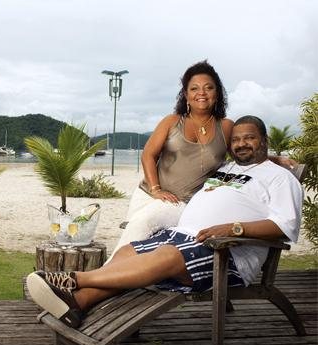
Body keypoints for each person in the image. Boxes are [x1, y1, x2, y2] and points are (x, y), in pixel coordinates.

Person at [27, 116, 302, 328]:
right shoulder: (227, 169)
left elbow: (283, 225)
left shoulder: (280, 178)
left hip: (226, 252)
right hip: (184, 236)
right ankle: (77, 304)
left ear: (263, 140)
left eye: (250, 138)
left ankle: (71, 280)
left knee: (167, 257)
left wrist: (234, 228)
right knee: (129, 251)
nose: (242, 143)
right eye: (237, 139)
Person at [113, 60, 232, 252]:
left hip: (183, 203)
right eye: (194, 88)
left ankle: (105, 276)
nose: (201, 93)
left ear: (217, 93)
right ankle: (109, 275)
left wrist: (275, 159)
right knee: (139, 239)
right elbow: (148, 155)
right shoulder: (172, 121)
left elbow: (244, 154)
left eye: (208, 88)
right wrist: (156, 190)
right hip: (149, 195)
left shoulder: (226, 127)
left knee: (143, 233)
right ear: (186, 95)